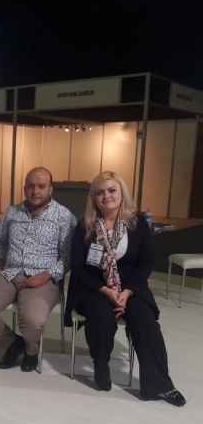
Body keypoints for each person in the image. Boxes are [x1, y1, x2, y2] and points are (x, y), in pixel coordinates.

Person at [64, 171, 185, 406]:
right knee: (102, 317)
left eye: (112, 190)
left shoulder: (137, 224)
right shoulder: (84, 225)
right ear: (94, 197)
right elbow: (77, 267)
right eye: (100, 192)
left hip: (131, 287)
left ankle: (162, 384)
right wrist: (106, 290)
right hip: (93, 286)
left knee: (146, 322)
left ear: (122, 194)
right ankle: (101, 365)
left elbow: (146, 262)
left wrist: (126, 291)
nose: (106, 196)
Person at [0, 167, 76, 372]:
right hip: (10, 273)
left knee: (32, 321)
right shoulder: (12, 212)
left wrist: (45, 275)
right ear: (24, 188)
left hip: (44, 278)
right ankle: (13, 343)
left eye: (41, 186)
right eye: (31, 186)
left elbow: (69, 257)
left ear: (50, 189)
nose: (35, 191)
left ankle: (31, 350)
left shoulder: (64, 216)